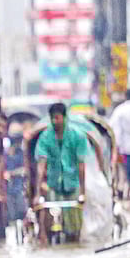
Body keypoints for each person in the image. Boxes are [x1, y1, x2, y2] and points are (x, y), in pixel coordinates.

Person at [34, 102, 89, 244]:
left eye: (57, 118)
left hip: (73, 184)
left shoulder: (77, 136)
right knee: (46, 217)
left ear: (65, 117)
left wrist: (83, 192)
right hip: (54, 185)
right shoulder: (45, 137)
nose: (54, 121)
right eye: (52, 118)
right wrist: (37, 194)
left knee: (75, 225)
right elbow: (41, 165)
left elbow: (81, 165)